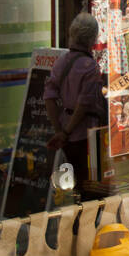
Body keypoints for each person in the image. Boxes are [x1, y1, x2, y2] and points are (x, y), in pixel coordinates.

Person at [44, 12, 106, 195]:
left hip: (66, 135)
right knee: (92, 188)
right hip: (86, 135)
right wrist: (66, 131)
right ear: (92, 38)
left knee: (77, 185)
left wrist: (60, 131)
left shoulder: (60, 62)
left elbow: (49, 98)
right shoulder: (90, 67)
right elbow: (83, 105)